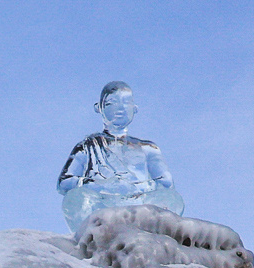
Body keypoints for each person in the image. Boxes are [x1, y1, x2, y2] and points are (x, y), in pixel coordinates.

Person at [56, 81, 184, 237]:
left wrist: (133, 187)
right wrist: (97, 185)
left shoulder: (148, 148)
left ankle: (150, 238)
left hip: (139, 205)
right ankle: (92, 238)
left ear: (134, 109)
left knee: (172, 199)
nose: (120, 108)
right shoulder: (87, 146)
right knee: (74, 199)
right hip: (100, 204)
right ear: (99, 108)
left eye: (126, 102)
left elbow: (166, 184)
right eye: (112, 103)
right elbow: (63, 183)